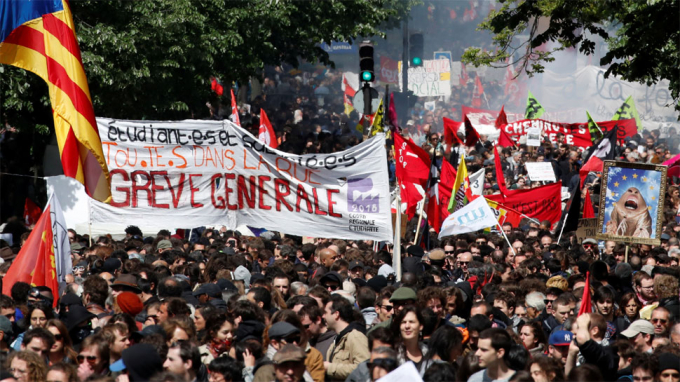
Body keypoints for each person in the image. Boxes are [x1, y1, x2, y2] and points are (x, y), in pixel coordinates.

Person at [323, 294, 369, 381]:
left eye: (325, 313)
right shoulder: (338, 338)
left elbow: (363, 369)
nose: (323, 316)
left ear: (336, 314)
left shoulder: (355, 336)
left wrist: (329, 367)